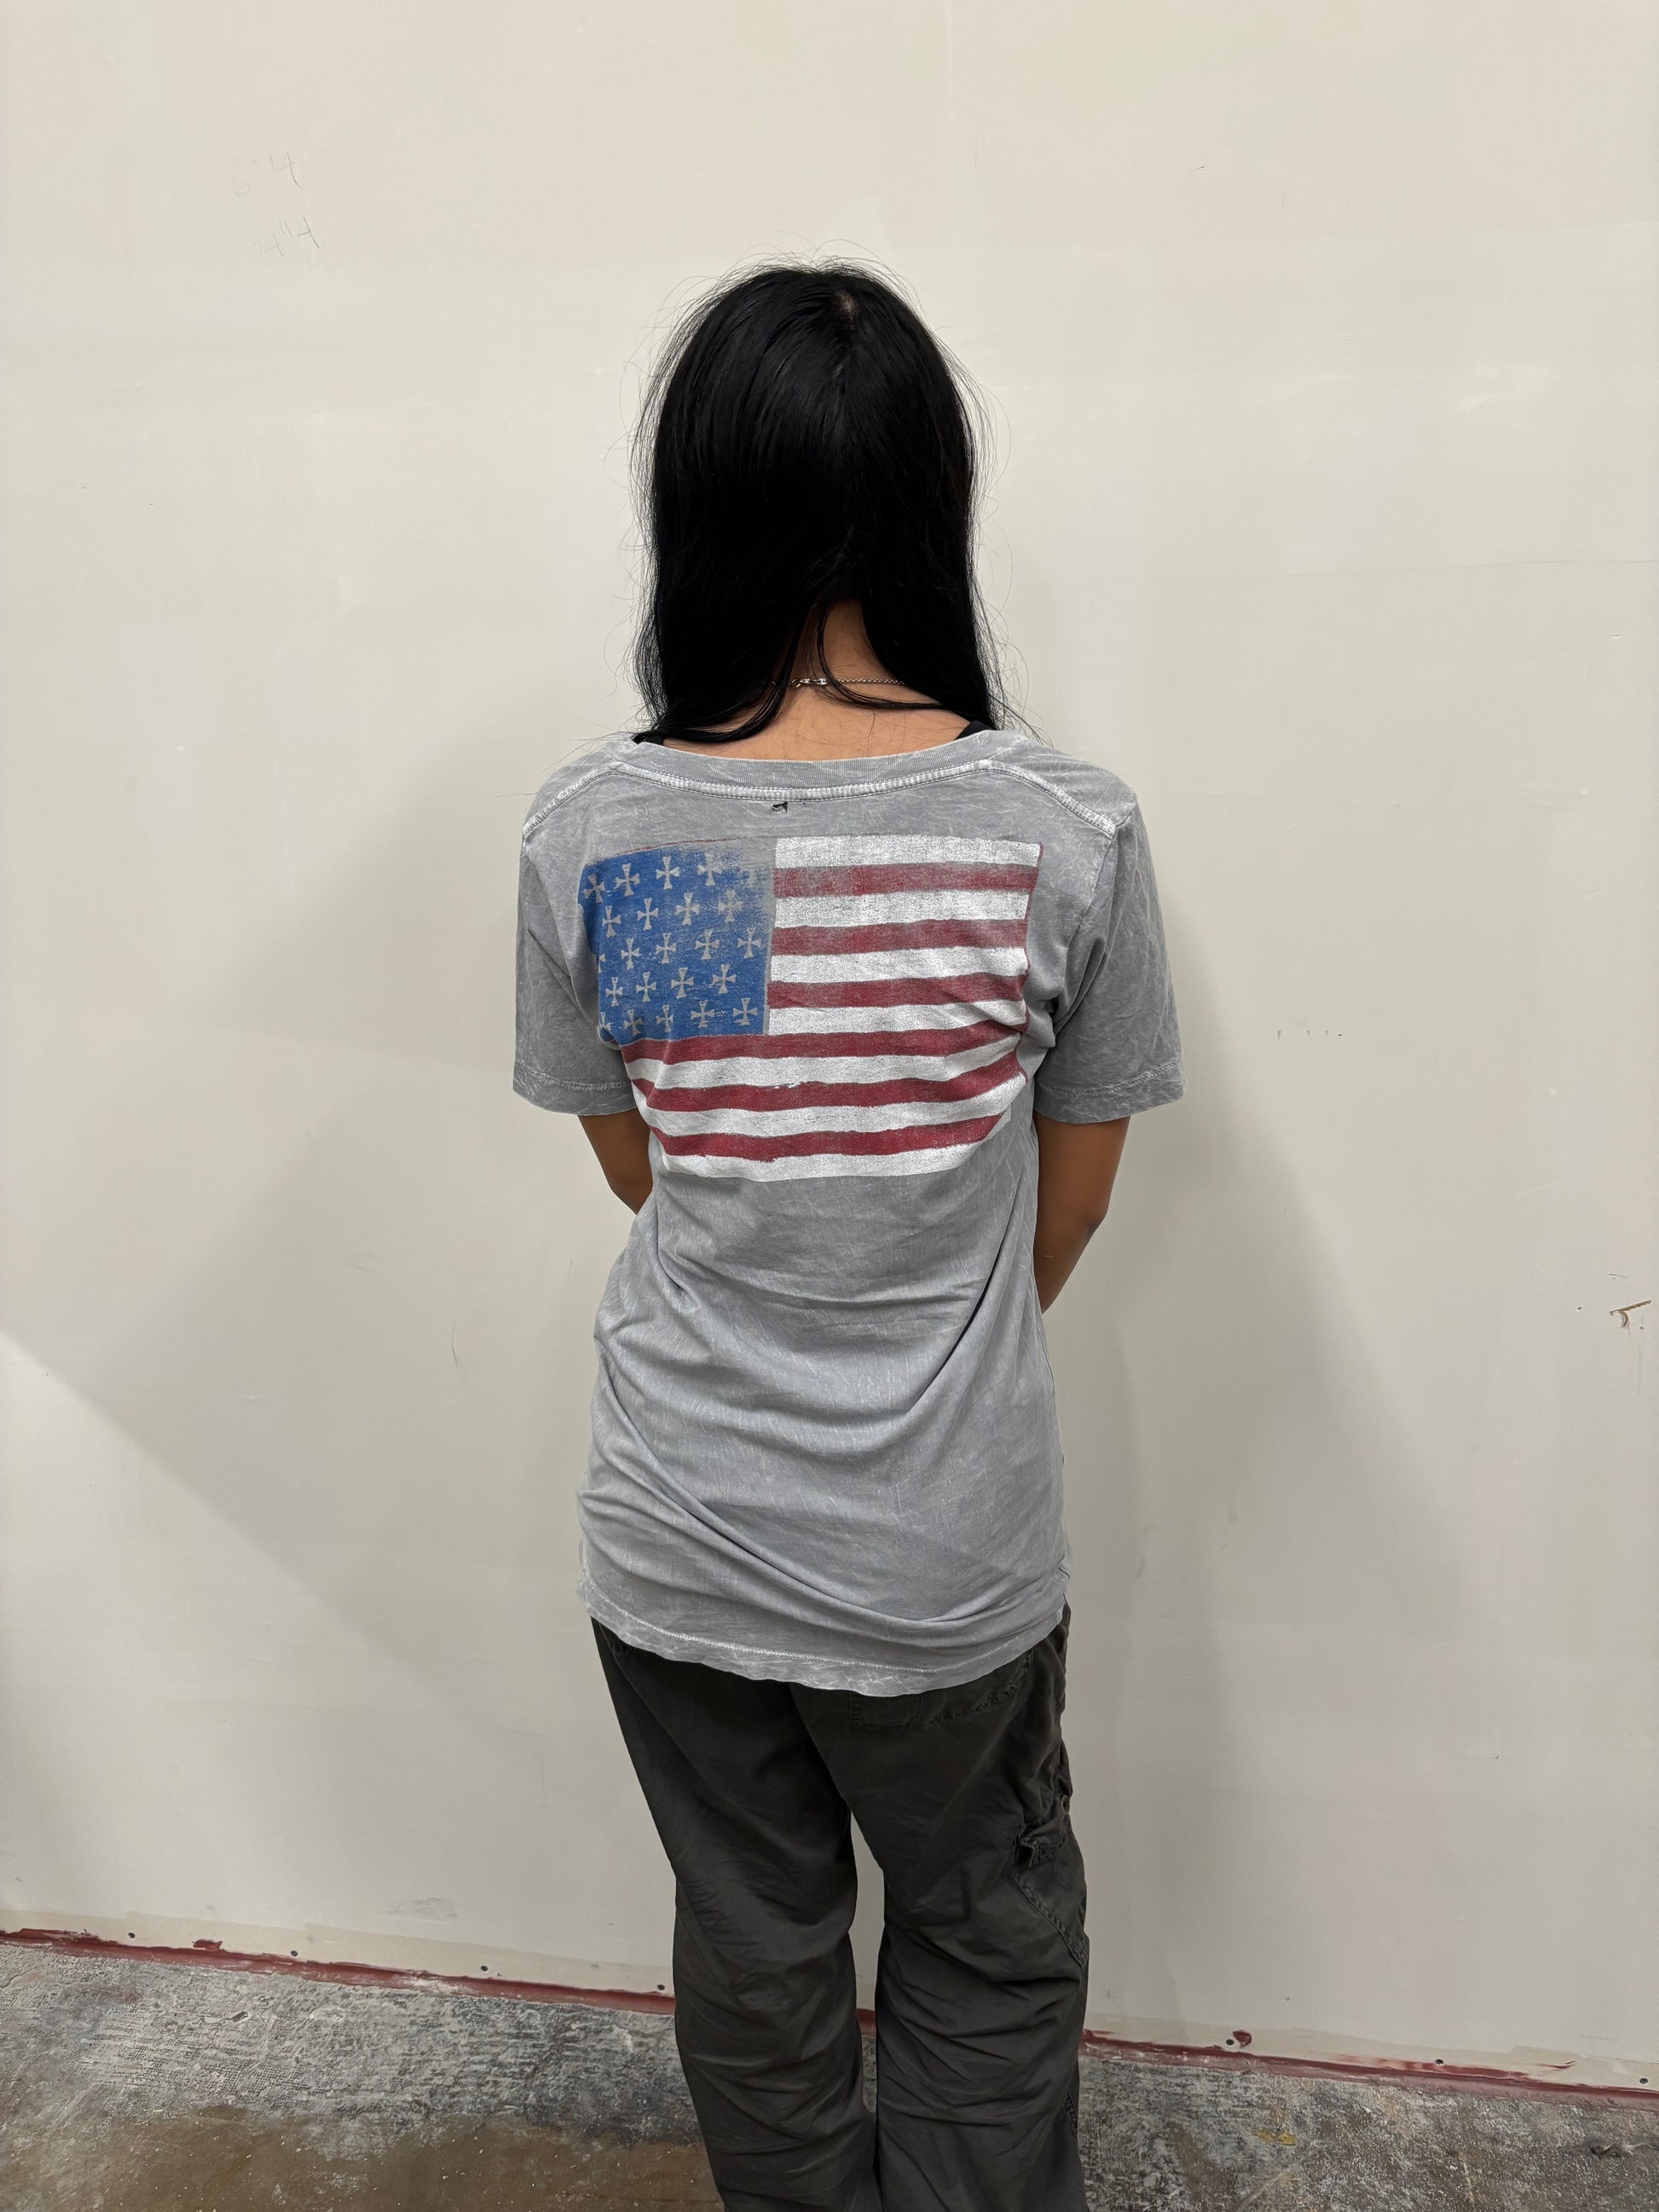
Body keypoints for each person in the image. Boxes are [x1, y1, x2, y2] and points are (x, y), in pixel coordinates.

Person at [514, 263, 1182, 2212]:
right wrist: (928, 1327)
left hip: (678, 1525)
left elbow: (647, 1168)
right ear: (926, 498)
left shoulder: (602, 827)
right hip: (942, 1550)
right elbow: (1073, 1194)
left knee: (752, 1934)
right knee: (982, 1925)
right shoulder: (1060, 827)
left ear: (693, 500)